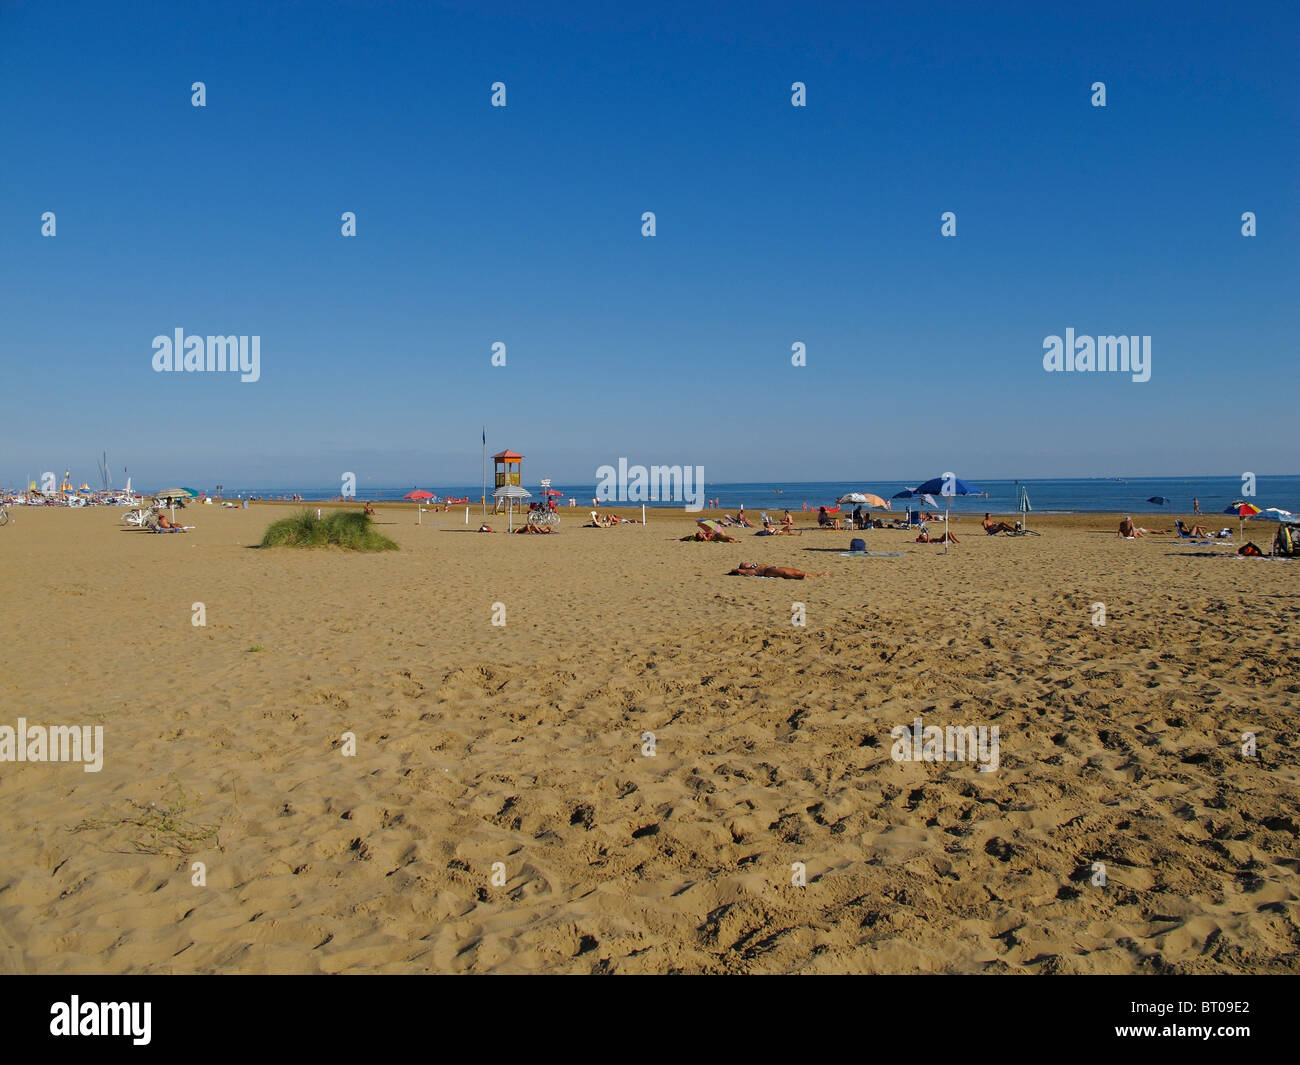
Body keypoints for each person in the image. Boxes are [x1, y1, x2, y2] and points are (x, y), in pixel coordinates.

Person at [728, 562, 828, 579]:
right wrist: (738, 570)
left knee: (792, 570)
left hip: (771, 568)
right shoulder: (748, 571)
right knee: (785, 573)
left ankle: (816, 575)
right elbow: (735, 570)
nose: (746, 563)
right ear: (743, 567)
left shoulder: (752, 567)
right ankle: (800, 577)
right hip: (768, 571)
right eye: (744, 564)